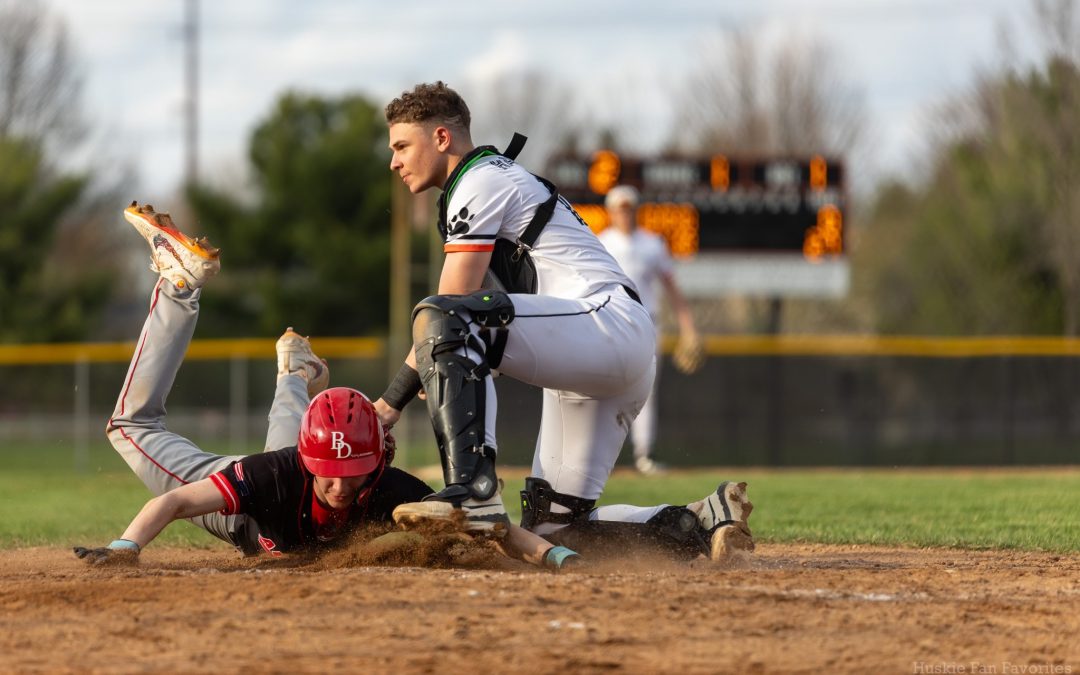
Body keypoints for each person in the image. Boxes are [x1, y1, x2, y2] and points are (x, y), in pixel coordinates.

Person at [73, 202, 579, 571]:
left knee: (286, 451)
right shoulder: (275, 474)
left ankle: (295, 372)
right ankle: (179, 289)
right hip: (248, 522)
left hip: (290, 467)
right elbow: (175, 503)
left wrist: (553, 554)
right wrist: (126, 548)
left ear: (375, 465)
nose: (340, 487)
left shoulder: (389, 487)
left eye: (352, 473)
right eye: (328, 473)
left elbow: (487, 525)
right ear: (309, 462)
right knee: (129, 426)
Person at [373, 81, 753, 561]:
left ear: (443, 138)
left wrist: (389, 404)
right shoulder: (486, 178)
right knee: (553, 529)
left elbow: (452, 302)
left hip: (605, 327)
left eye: (402, 145)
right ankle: (701, 522)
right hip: (598, 348)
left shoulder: (479, 179)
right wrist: (440, 359)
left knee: (445, 316)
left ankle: (473, 491)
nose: (394, 161)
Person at [598, 185, 703, 475]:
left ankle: (645, 455)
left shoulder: (652, 244)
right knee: (604, 386)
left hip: (647, 322)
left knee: (646, 389)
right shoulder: (600, 242)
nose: (625, 213)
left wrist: (688, 328)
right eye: (620, 208)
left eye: (629, 207)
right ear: (611, 211)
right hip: (611, 321)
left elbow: (672, 288)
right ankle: (600, 457)